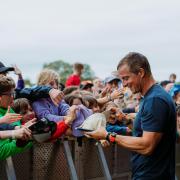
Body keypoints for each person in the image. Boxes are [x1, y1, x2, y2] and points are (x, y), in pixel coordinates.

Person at [85, 52, 176, 180]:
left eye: (126, 78)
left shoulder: (155, 99)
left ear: (141, 73)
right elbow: (148, 131)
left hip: (152, 175)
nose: (124, 84)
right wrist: (125, 119)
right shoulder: (153, 96)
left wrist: (107, 135)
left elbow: (147, 145)